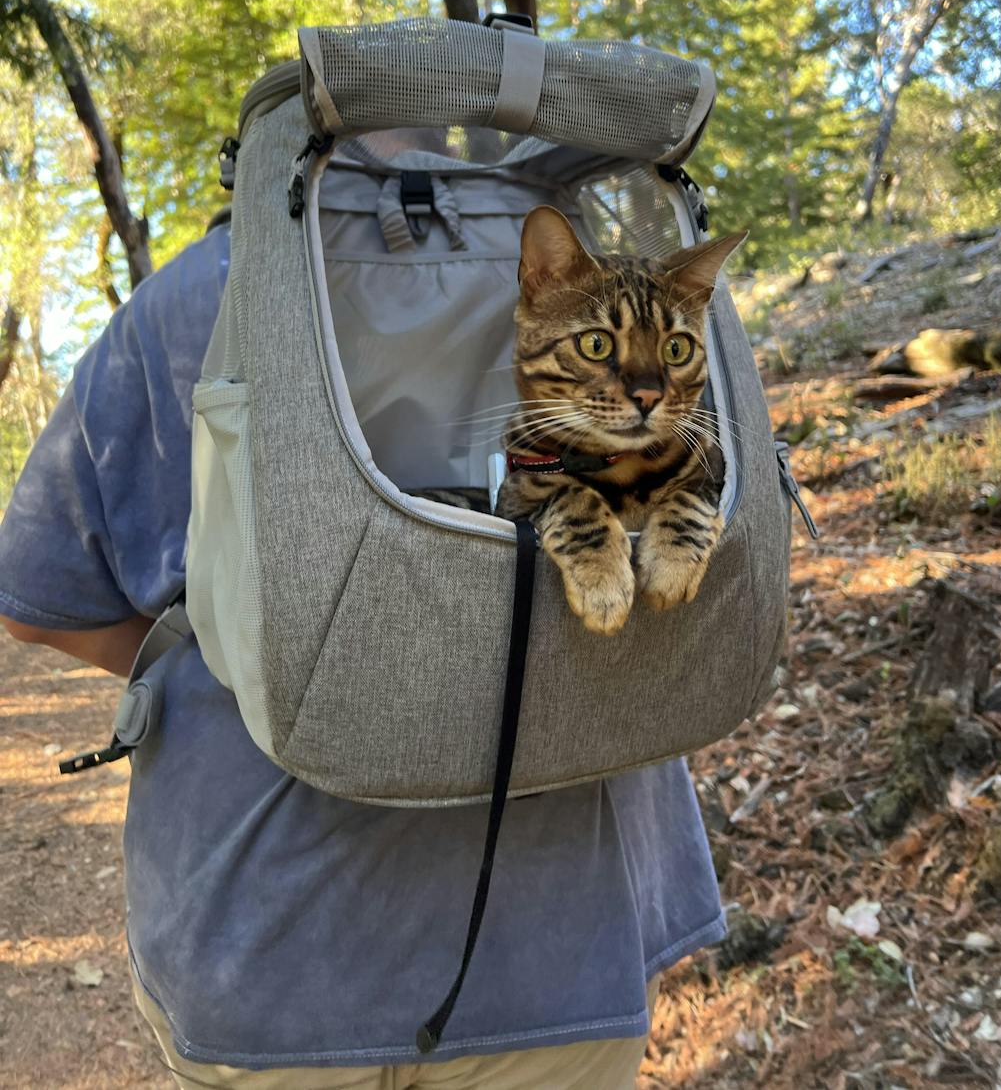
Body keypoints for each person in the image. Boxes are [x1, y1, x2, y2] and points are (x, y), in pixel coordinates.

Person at [0, 223, 726, 1088]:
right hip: (567, 950)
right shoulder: (606, 245)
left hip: (269, 959)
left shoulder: (192, 295)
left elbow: (39, 603)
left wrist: (263, 676)